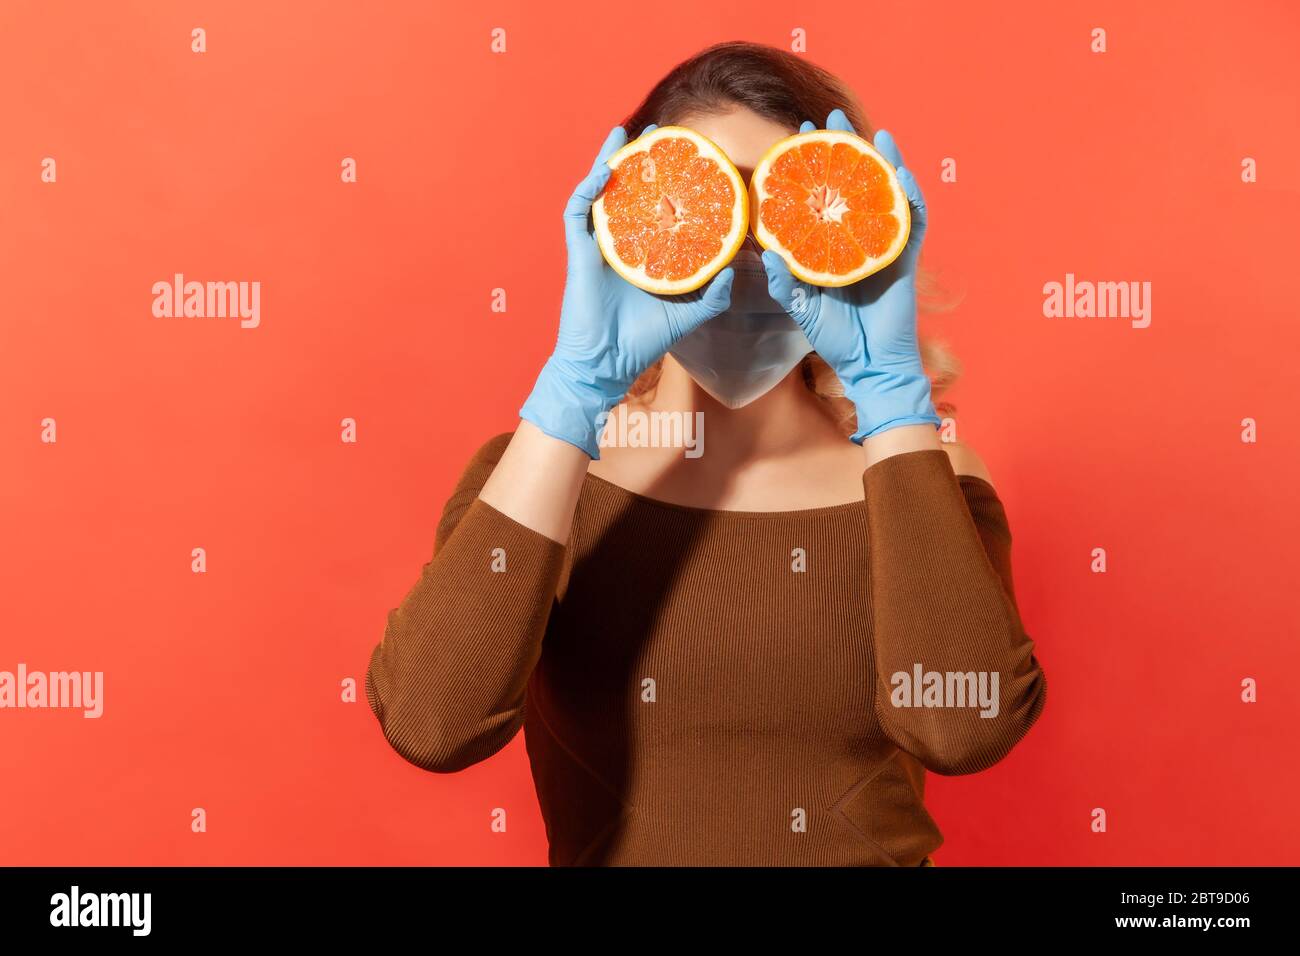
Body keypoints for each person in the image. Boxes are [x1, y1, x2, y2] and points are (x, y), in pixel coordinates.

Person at [364, 41, 1047, 866]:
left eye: (781, 213)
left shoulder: (928, 477)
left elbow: (963, 729)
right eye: (713, 207)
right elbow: (432, 723)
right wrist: (576, 389)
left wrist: (890, 390)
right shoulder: (542, 480)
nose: (749, 259)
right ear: (631, 229)